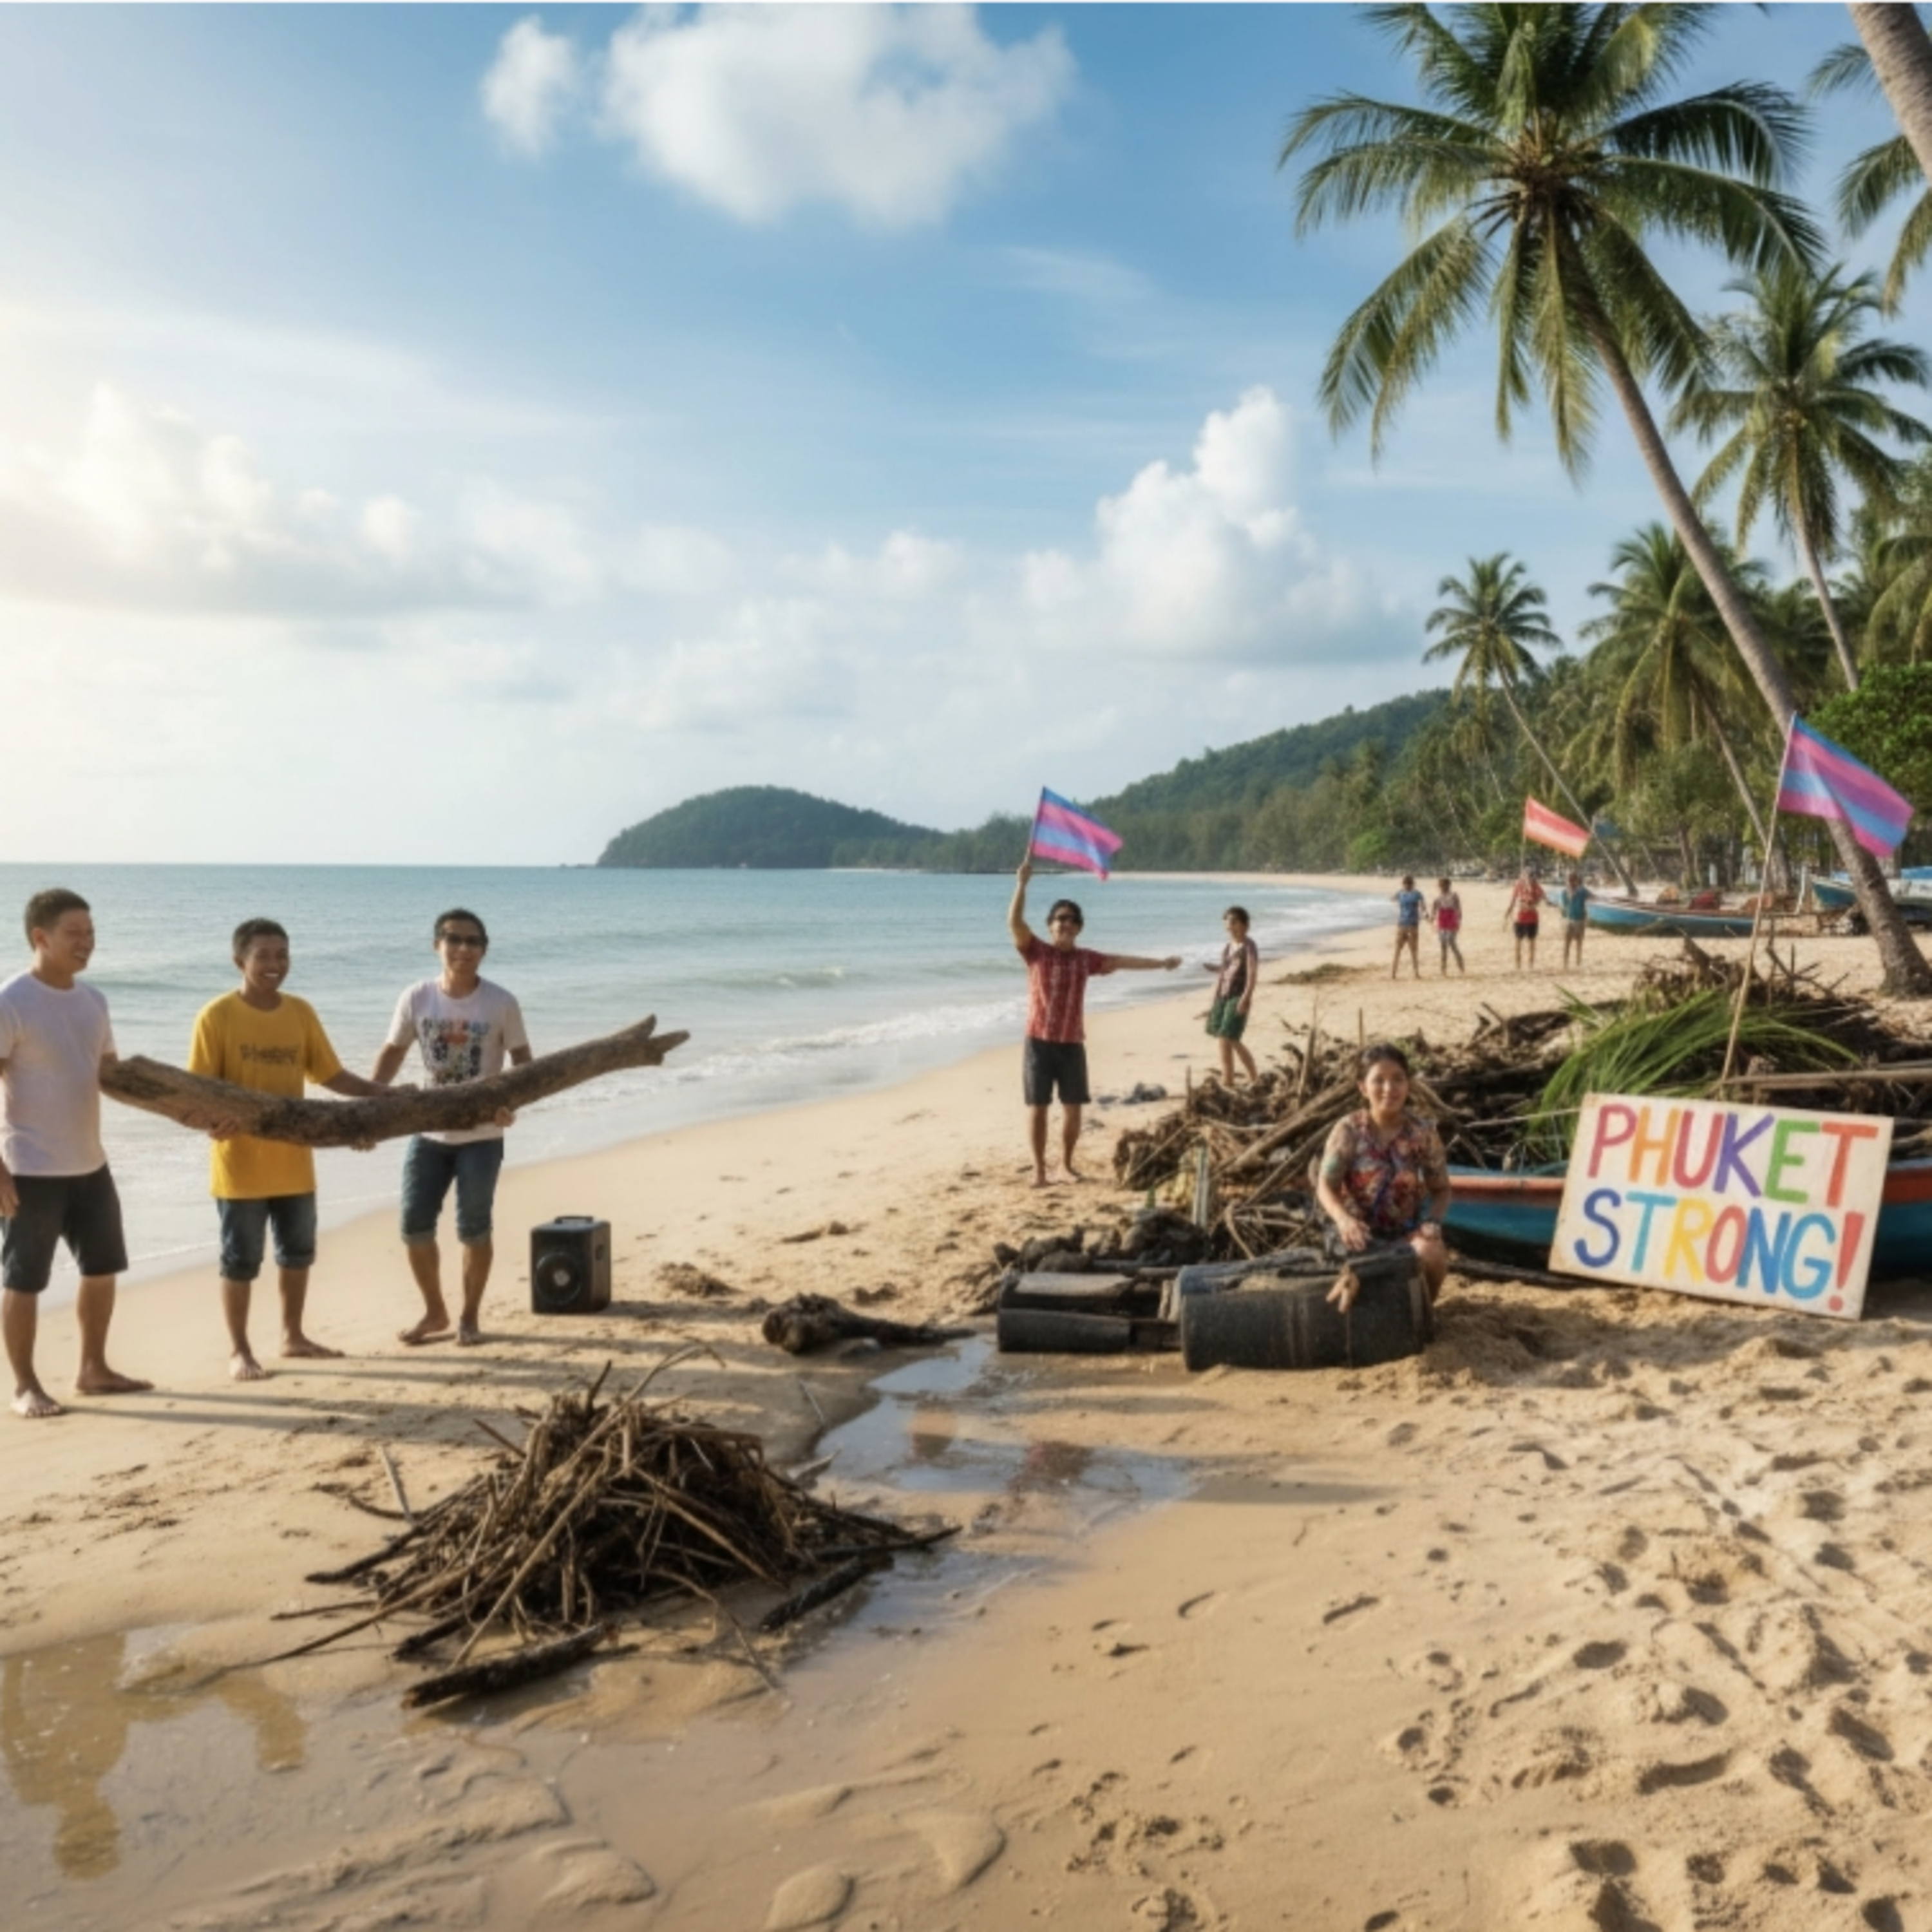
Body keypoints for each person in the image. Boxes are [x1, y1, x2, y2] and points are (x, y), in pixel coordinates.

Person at [189, 918, 389, 1381]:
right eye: (264, 956)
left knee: (297, 1254)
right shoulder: (216, 1016)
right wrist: (208, 1123)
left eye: (282, 955)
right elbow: (196, 1091)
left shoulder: (299, 1013)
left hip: (295, 1162)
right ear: (240, 961)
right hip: (240, 1168)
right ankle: (240, 1351)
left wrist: (383, 1095)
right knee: (240, 1261)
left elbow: (331, 1075)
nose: (275, 964)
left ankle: (293, 1336)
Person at [0, 891, 151, 1419]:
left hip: (91, 1163)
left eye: (90, 932)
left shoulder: (94, 1002)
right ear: (40, 937)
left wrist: (193, 1110)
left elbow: (111, 1077)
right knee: (23, 1278)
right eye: (74, 933)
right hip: (30, 1169)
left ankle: (93, 1369)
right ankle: (25, 1386)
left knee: (103, 1268)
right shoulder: (11, 1000)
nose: (86, 942)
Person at [372, 908, 531, 1347]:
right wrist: (369, 1105)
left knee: (474, 1228)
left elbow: (524, 1065)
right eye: (453, 939)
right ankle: (435, 1311)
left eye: (473, 941)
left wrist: (509, 1105)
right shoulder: (417, 997)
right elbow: (392, 1053)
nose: (463, 948)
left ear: (484, 949)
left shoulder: (501, 1002)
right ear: (436, 945)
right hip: (428, 1133)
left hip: (482, 1136)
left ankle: (469, 1318)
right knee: (413, 1226)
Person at [1009, 859, 1180, 1188]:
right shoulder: (1036, 952)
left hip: (1072, 1042)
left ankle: (1066, 1166)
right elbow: (1014, 922)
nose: (1066, 924)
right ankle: (1039, 1170)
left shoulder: (1085, 959)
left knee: (1074, 1108)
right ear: (1050, 925)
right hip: (1039, 1041)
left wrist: (1161, 964)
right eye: (1060, 919)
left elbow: (1120, 961)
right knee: (1038, 1107)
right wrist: (1022, 885)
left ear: (1079, 928)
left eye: (1072, 921)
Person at [1316, 1042, 1452, 1307]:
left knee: (1432, 1251)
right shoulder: (1349, 1131)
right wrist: (1343, 1220)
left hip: (1404, 1233)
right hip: (1356, 1235)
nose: (1389, 1089)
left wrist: (1433, 1221)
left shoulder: (1422, 1133)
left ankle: (1424, 1314)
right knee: (1349, 1284)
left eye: (1398, 1079)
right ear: (1363, 1087)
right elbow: (1325, 1186)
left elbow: (1442, 1190)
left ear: (1408, 1084)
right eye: (1379, 1080)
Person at [1204, 906, 1260, 1086]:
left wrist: (1246, 998)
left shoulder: (1249, 946)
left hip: (1238, 995)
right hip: (1223, 996)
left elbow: (1252, 975)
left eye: (1234, 922)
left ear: (1245, 925)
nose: (1230, 926)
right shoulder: (1228, 947)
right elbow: (1223, 975)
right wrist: (1214, 1001)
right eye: (1228, 922)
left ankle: (1252, 1077)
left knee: (1231, 1037)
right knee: (1222, 1037)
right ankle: (1228, 1080)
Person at [1504, 867, 1548, 970]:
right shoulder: (1519, 885)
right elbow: (1513, 900)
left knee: (1531, 943)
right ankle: (1518, 966)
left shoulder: (1536, 886)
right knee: (1518, 942)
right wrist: (1509, 911)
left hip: (1532, 918)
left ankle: (1530, 966)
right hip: (1520, 917)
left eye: (1530, 875)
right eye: (1527, 875)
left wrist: (1535, 903)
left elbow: (1544, 897)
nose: (1529, 877)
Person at [1391, 875, 1425, 980]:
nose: (1407, 886)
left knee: (1398, 950)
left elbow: (1392, 899)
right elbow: (1423, 908)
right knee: (1413, 951)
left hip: (1402, 924)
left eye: (1406, 884)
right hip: (1412, 925)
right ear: (1413, 884)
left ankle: (1394, 973)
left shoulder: (1401, 893)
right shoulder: (1417, 894)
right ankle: (1416, 973)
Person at [1558, 869, 1592, 968]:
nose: (1572, 882)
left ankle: (1578, 962)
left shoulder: (1582, 891)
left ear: (1577, 880)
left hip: (1580, 920)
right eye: (1570, 880)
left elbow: (1592, 896)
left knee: (1579, 943)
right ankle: (1566, 964)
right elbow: (1563, 907)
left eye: (1573, 880)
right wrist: (1570, 896)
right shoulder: (1564, 892)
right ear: (1567, 881)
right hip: (1569, 920)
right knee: (1567, 943)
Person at [1431, 878, 1465, 976]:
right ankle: (1443, 969)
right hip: (1442, 922)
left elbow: (1458, 909)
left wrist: (1458, 922)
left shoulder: (1454, 896)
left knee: (1452, 943)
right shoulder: (1438, 897)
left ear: (1448, 885)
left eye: (1444, 885)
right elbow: (1434, 909)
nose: (1442, 887)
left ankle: (1461, 965)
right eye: (1441, 886)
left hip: (1451, 921)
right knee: (1443, 946)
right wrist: (1432, 919)